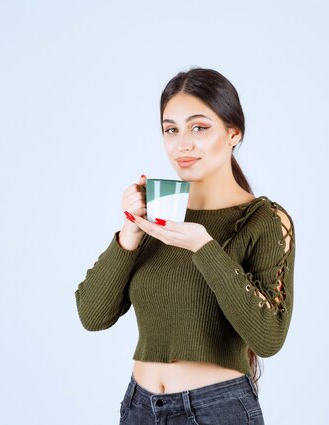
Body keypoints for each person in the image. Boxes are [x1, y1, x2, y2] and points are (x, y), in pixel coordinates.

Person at [75, 67, 296, 424]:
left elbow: (268, 337)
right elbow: (93, 315)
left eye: (199, 127)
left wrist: (204, 248)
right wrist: (129, 233)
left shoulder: (265, 221)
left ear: (233, 133)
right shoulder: (159, 211)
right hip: (139, 408)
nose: (183, 144)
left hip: (216, 410)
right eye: (171, 129)